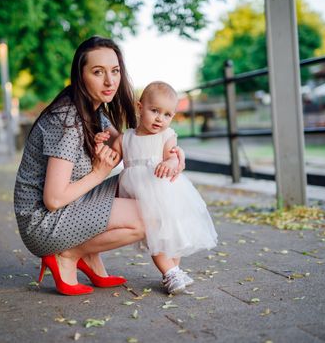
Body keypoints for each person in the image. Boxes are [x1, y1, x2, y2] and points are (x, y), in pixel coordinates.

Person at [13, 37, 184, 296]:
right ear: (80, 76)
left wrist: (174, 155)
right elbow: (53, 199)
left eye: (115, 71)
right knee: (148, 214)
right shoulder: (67, 120)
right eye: (98, 72)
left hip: (72, 206)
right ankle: (69, 254)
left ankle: (88, 255)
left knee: (149, 185)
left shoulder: (95, 112)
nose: (110, 81)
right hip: (44, 223)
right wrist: (99, 172)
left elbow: (133, 149)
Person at [96, 81, 218, 294]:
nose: (160, 119)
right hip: (138, 195)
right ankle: (169, 273)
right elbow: (110, 160)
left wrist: (171, 163)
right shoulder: (127, 138)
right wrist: (101, 144)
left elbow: (173, 157)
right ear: (140, 107)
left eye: (167, 115)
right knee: (155, 233)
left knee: (171, 234)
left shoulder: (166, 136)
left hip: (164, 191)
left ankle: (174, 270)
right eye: (155, 111)